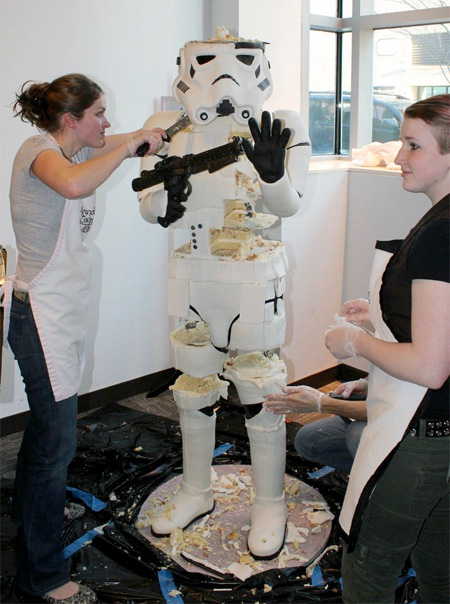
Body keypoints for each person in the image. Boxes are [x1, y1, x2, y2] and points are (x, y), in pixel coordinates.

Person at [137, 29, 311, 559]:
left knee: (261, 391)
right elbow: (147, 203)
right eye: (209, 60)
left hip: (254, 279)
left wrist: (274, 174)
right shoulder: (167, 128)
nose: (224, 72)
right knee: (193, 389)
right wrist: (164, 199)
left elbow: (289, 205)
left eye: (239, 60)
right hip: (193, 272)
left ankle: (269, 500)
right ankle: (196, 489)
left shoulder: (282, 126)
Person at [0, 73, 165, 604]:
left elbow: (116, 143)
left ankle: (29, 510)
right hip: (40, 315)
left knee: (48, 435)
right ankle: (43, 577)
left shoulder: (70, 150)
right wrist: (126, 147)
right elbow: (75, 185)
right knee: (57, 444)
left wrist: (146, 136)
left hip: (60, 314)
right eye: (98, 113)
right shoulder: (40, 151)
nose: (107, 123)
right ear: (71, 121)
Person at [324, 95, 449, 603]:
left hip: (421, 433)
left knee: (369, 563)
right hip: (442, 432)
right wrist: (378, 312)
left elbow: (430, 366)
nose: (399, 157)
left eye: (413, 145)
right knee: (439, 561)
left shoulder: (440, 234)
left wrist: (357, 342)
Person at [264, 378, 368, 474]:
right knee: (307, 439)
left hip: (380, 422)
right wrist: (366, 384)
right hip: (373, 410)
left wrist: (322, 403)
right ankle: (360, 466)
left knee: (356, 434)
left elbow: (377, 411)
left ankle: (372, 482)